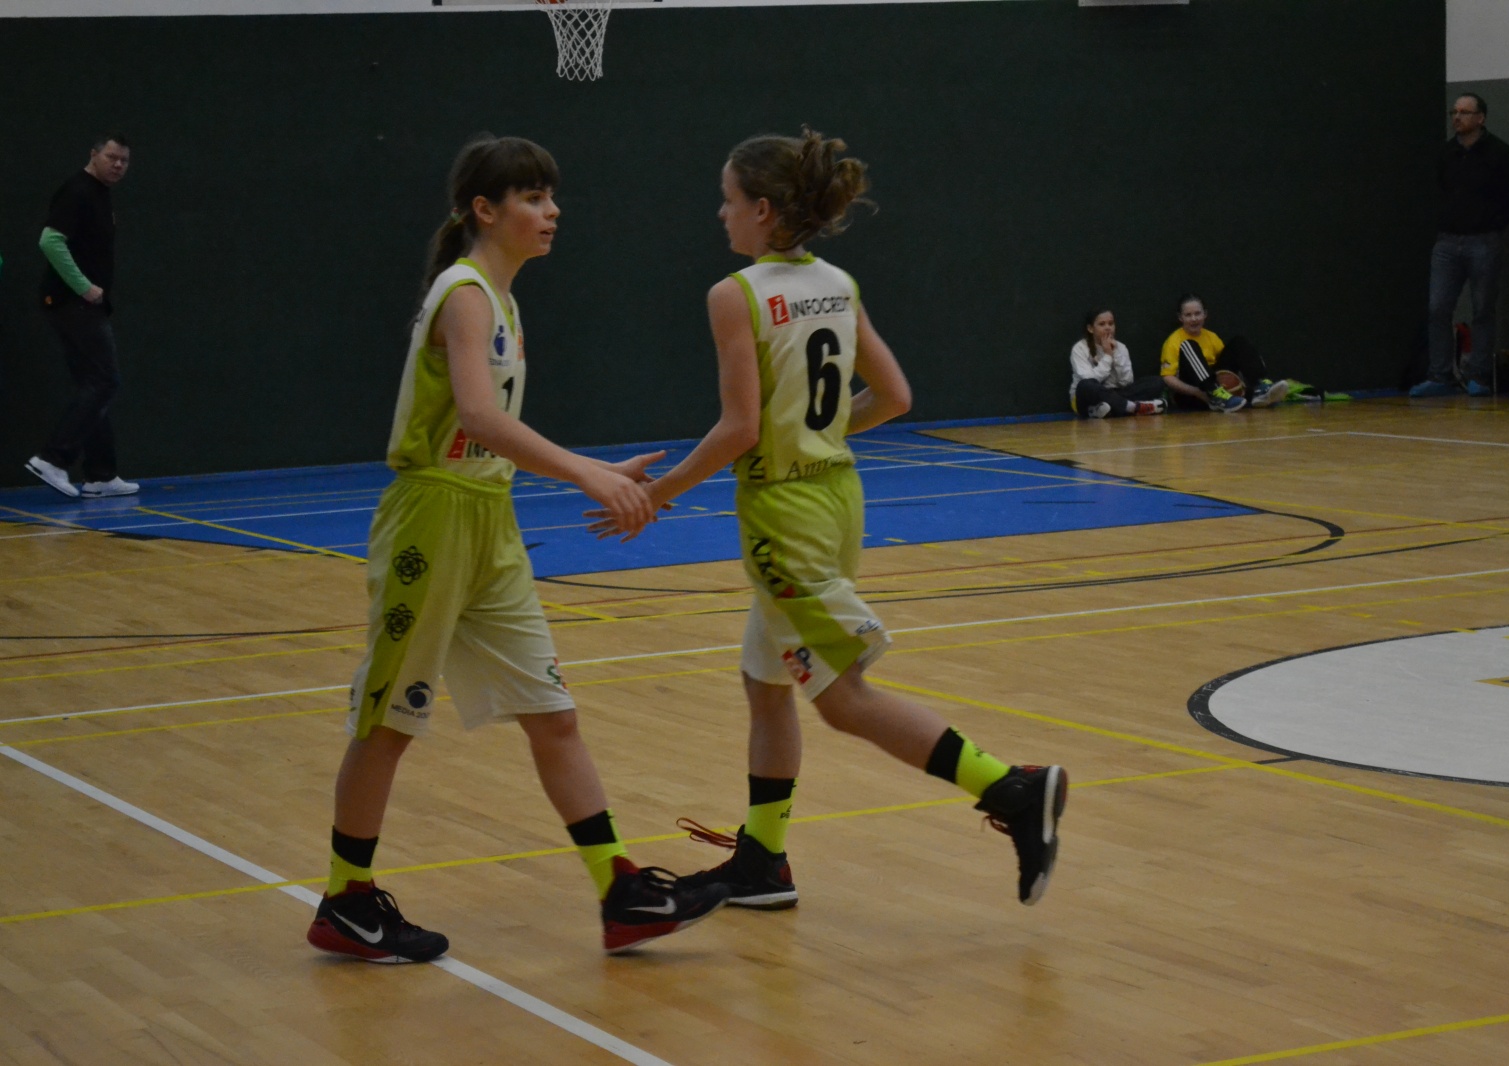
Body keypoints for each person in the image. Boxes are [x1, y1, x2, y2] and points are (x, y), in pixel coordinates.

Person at [588, 129, 1067, 912]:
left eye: (728, 200)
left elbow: (740, 428)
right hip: (839, 499)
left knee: (843, 700)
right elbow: (897, 396)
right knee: (765, 682)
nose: (720, 214)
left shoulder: (735, 295)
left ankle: (1012, 788)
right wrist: (818, 431)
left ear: (762, 210)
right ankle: (762, 860)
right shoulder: (837, 284)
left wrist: (660, 492)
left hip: (784, 515)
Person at [305, 135, 729, 964]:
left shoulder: (502, 298)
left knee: (553, 712)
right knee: (389, 720)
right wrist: (586, 474)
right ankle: (345, 899)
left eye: (551, 195)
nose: (552, 211)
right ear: (485, 210)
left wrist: (597, 469)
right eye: (533, 197)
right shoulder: (464, 293)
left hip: (488, 521)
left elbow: (490, 437)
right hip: (432, 518)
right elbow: (477, 417)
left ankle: (621, 892)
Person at [25, 134, 141, 499]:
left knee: (94, 385)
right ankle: (52, 459)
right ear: (94, 155)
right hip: (72, 303)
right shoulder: (77, 190)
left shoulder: (100, 194)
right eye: (111, 157)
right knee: (105, 381)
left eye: (124, 160)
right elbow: (50, 240)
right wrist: (83, 287)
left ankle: (101, 475)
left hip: (81, 305)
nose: (118, 164)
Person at [1412, 93, 1509, 398]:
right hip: (1447, 241)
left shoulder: (1500, 153)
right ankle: (1440, 375)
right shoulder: (1446, 153)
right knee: (1438, 308)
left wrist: (1494, 223)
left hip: (1484, 240)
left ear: (1480, 118)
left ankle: (1480, 376)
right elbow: (1437, 190)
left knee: (1483, 309)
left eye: (1464, 112)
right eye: (1454, 112)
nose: (1457, 117)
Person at [1160, 295, 1289, 413]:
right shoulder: (1174, 341)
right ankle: (1214, 394)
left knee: (1239, 341)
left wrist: (1237, 385)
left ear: (1205, 314)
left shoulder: (1211, 337)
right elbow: (1168, 378)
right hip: (1194, 392)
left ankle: (1260, 388)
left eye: (1197, 313)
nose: (1194, 319)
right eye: (1188, 315)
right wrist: (1198, 392)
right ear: (1180, 318)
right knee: (1188, 345)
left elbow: (1225, 366)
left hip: (1219, 387)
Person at [1070, 309, 1165, 418]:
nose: (1107, 328)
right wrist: (1108, 356)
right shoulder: (1080, 348)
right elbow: (1091, 380)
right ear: (1090, 328)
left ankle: (1102, 410)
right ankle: (1132, 407)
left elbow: (1127, 381)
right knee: (1086, 385)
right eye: (1102, 324)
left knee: (1157, 382)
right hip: (1088, 398)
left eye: (1111, 323)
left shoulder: (1121, 347)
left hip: (1116, 393)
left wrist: (1116, 354)